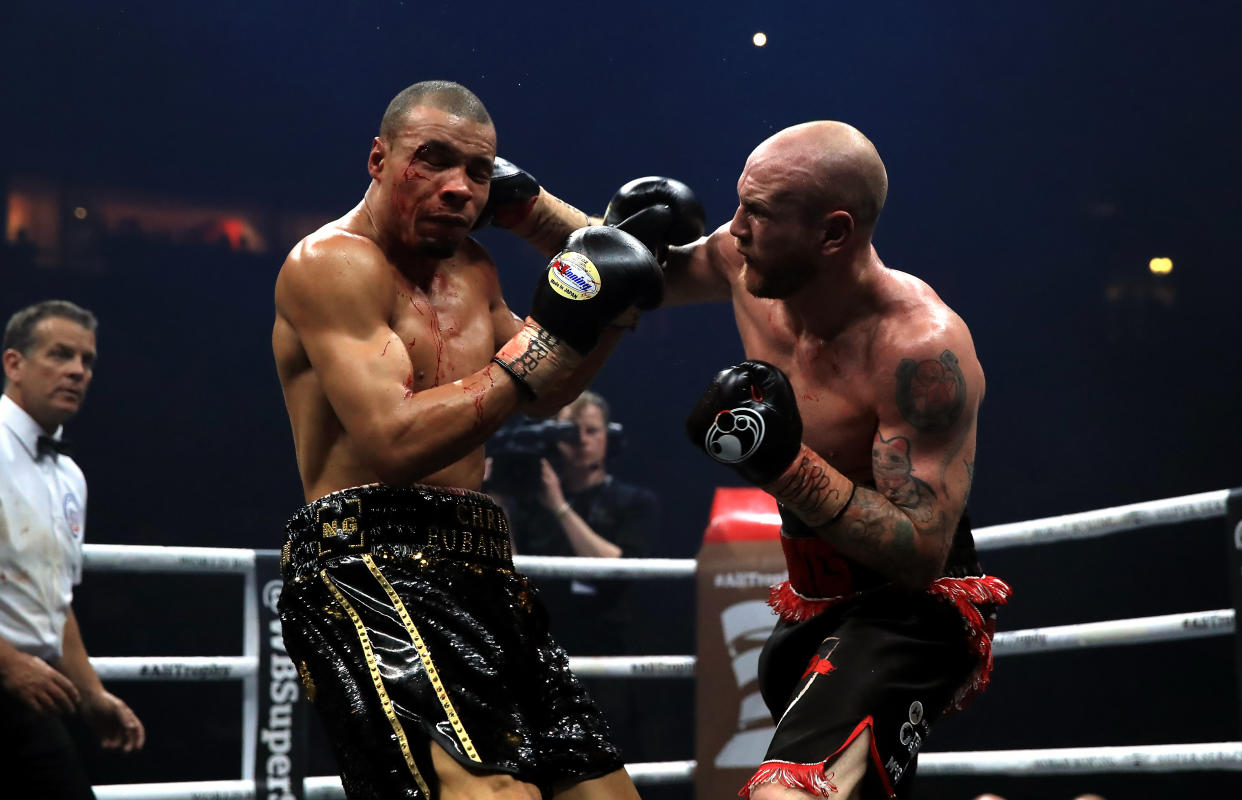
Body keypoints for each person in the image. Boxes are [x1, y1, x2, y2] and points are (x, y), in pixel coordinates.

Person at [271, 80, 698, 800]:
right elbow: (394, 440)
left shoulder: (475, 269)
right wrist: (554, 330)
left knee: (605, 796)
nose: (456, 187)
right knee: (492, 796)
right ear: (378, 159)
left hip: (483, 562)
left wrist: (610, 308)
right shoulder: (331, 264)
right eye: (431, 161)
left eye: (475, 171)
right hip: (368, 564)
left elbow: (550, 387)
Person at [608, 122, 1011, 799]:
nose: (733, 228)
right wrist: (523, 209)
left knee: (788, 791)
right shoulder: (748, 267)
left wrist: (784, 465)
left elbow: (920, 553)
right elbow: (628, 272)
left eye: (758, 213)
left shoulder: (918, 350)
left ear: (833, 234)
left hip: (906, 616)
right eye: (739, 203)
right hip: (809, 603)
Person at [1, 300, 146, 800]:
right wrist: (7, 662)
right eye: (60, 355)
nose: (77, 371)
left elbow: (55, 603)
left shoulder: (69, 477)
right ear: (13, 364)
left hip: (30, 694)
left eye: (86, 360)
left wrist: (91, 694)